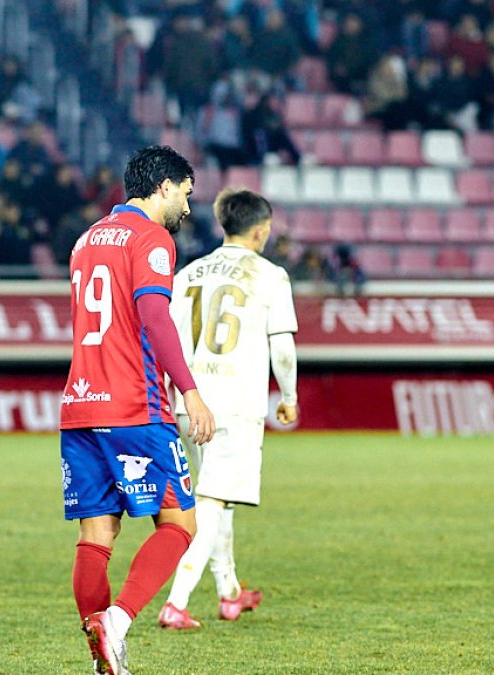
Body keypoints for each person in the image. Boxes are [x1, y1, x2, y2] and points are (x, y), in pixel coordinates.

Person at [61, 145, 216, 675]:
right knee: (178, 525)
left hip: (81, 405)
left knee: (96, 536)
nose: (188, 211)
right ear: (165, 186)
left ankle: (101, 653)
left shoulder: (85, 241)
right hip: (136, 405)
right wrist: (189, 390)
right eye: (187, 196)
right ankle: (119, 623)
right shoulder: (152, 238)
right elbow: (154, 315)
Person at [157, 188, 299, 630]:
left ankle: (229, 591)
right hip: (234, 404)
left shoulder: (189, 273)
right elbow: (283, 346)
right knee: (214, 499)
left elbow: (165, 337)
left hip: (188, 400)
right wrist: (290, 397)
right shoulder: (270, 275)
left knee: (219, 495)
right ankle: (175, 602)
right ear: (261, 230)